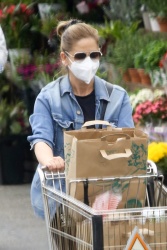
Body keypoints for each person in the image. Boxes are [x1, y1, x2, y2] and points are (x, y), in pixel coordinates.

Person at [27, 19, 134, 219]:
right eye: (80, 56)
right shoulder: (48, 98)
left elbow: (128, 141)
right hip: (62, 197)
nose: (88, 61)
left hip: (107, 195)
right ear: (65, 58)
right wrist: (50, 160)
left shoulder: (118, 98)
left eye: (94, 55)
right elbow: (41, 138)